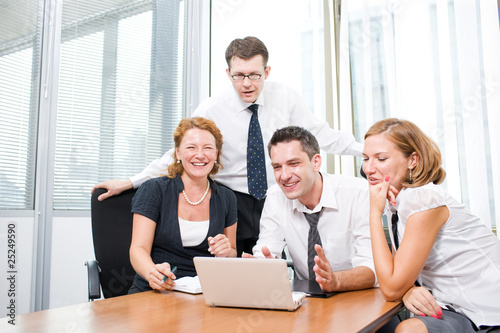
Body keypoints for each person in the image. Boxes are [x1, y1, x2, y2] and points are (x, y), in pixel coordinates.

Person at [92, 36, 363, 256]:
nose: (247, 84)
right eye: (239, 76)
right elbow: (181, 152)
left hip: (275, 196)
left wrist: (365, 152)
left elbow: (320, 134)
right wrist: (130, 182)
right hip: (233, 201)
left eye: (255, 75)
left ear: (267, 71)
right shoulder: (213, 108)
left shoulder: (285, 97)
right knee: (235, 268)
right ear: (228, 73)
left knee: (269, 265)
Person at [363, 118, 500, 332]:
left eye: (381, 159)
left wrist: (373, 214)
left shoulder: (424, 200)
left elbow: (391, 287)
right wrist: (406, 289)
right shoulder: (397, 203)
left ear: (412, 160)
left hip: (488, 312)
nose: (368, 169)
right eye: (365, 159)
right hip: (453, 310)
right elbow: (394, 275)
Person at [243, 126, 376, 293]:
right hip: (309, 300)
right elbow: (268, 248)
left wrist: (336, 281)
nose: (284, 176)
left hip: (360, 296)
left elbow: (372, 267)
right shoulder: (275, 197)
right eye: (277, 167)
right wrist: (260, 266)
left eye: (293, 164)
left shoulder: (358, 193)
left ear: (316, 163)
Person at [128, 117, 237, 294]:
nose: (200, 155)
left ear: (216, 154)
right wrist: (152, 273)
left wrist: (225, 252)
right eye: (191, 147)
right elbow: (138, 249)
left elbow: (232, 252)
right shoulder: (154, 190)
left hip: (204, 294)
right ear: (178, 153)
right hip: (155, 290)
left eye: (207, 148)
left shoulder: (227, 198)